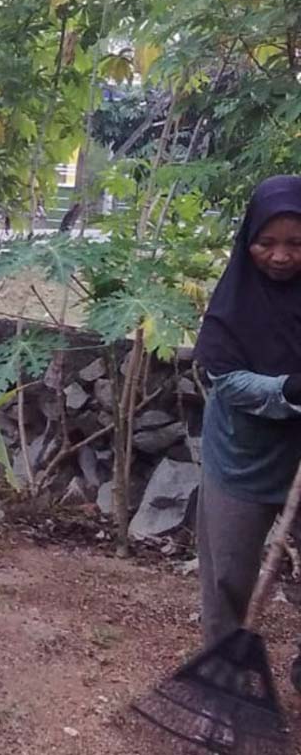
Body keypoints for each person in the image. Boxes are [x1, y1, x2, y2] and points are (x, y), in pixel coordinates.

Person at [194, 175, 301, 687]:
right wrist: (291, 390)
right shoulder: (233, 304)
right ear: (248, 241)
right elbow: (225, 377)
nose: (281, 256)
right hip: (245, 453)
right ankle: (221, 674)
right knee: (227, 575)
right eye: (267, 242)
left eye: (297, 243)